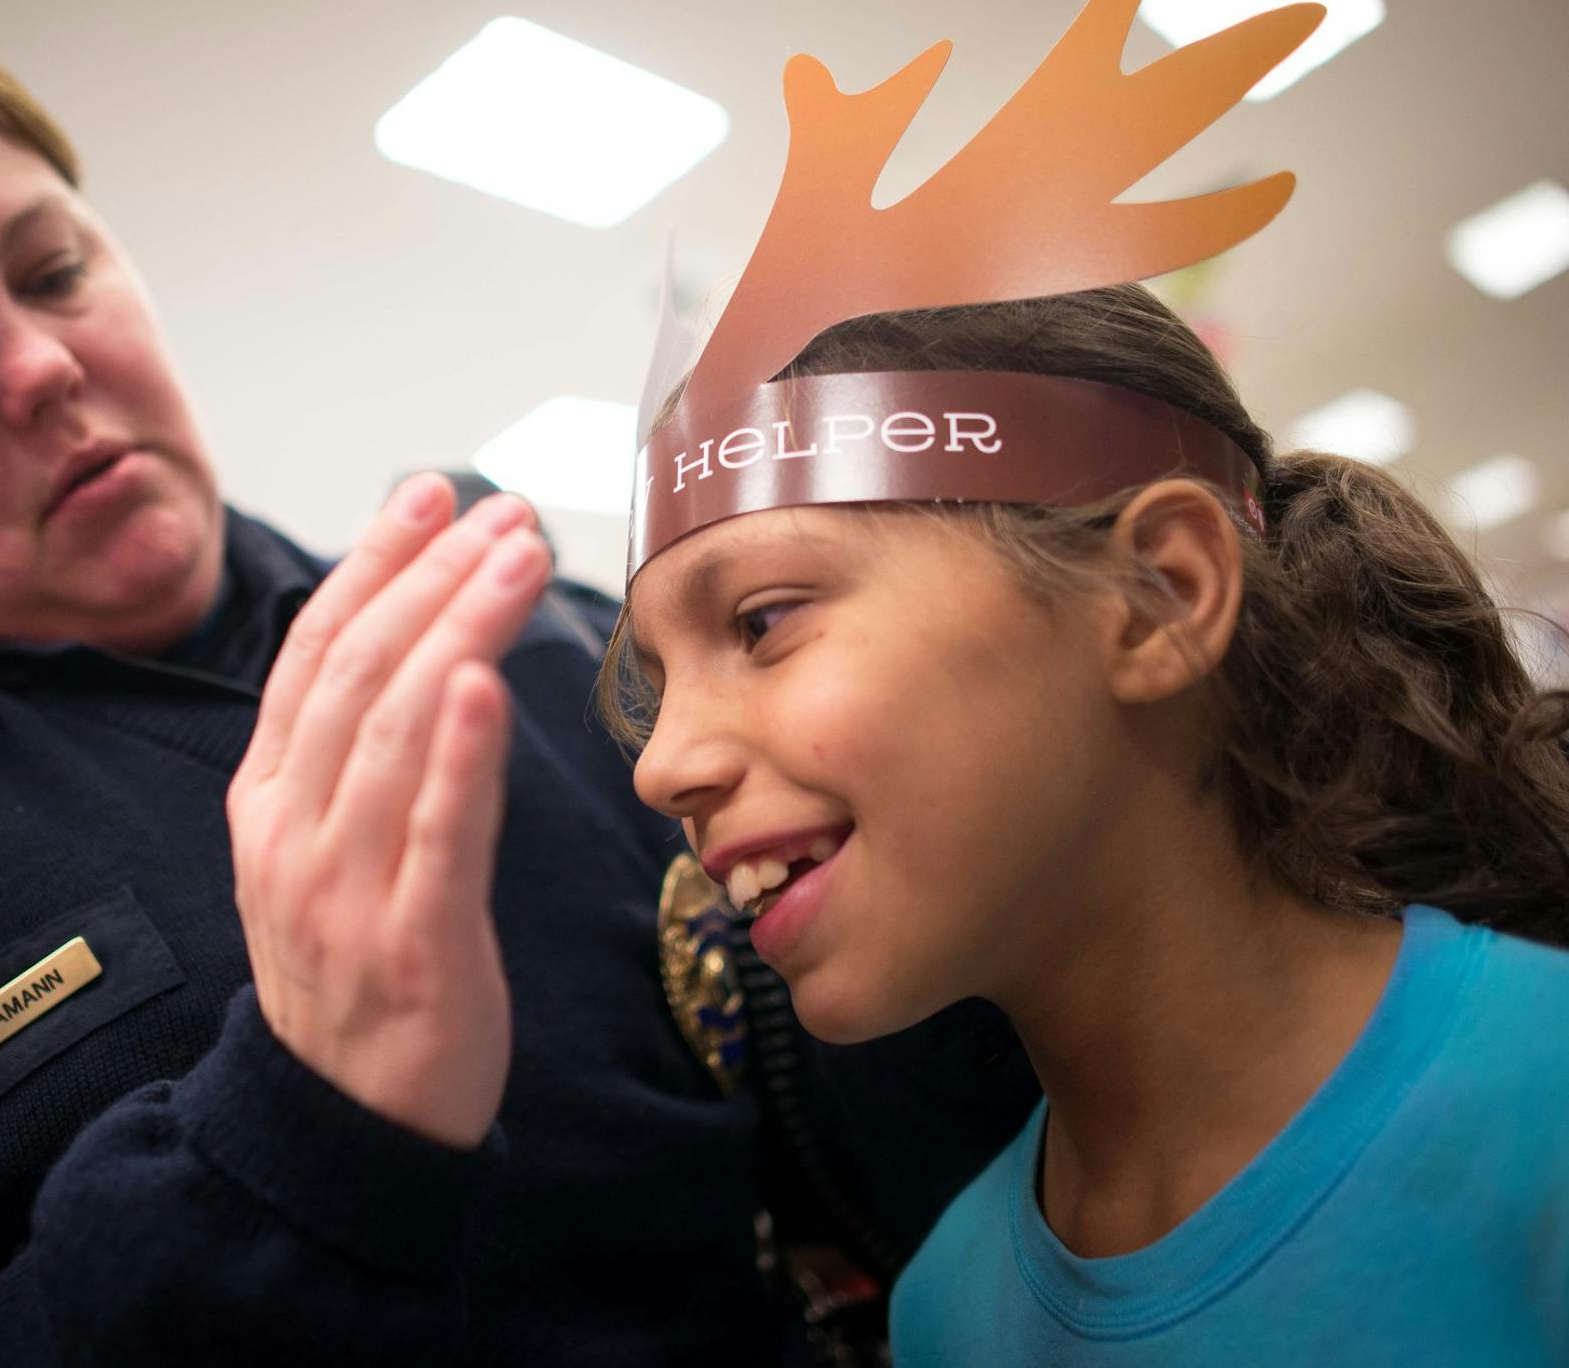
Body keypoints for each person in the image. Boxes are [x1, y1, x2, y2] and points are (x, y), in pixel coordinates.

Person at [0, 0, 1037, 1365]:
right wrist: (300, 1136)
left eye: (53, 270)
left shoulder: (538, 638)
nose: (41, 363)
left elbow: (902, 1153)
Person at [612, 284, 1569, 1364]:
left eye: (763, 620)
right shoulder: (947, 1309)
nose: (660, 765)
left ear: (1156, 590)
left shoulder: (1545, 1108)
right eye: (655, 683)